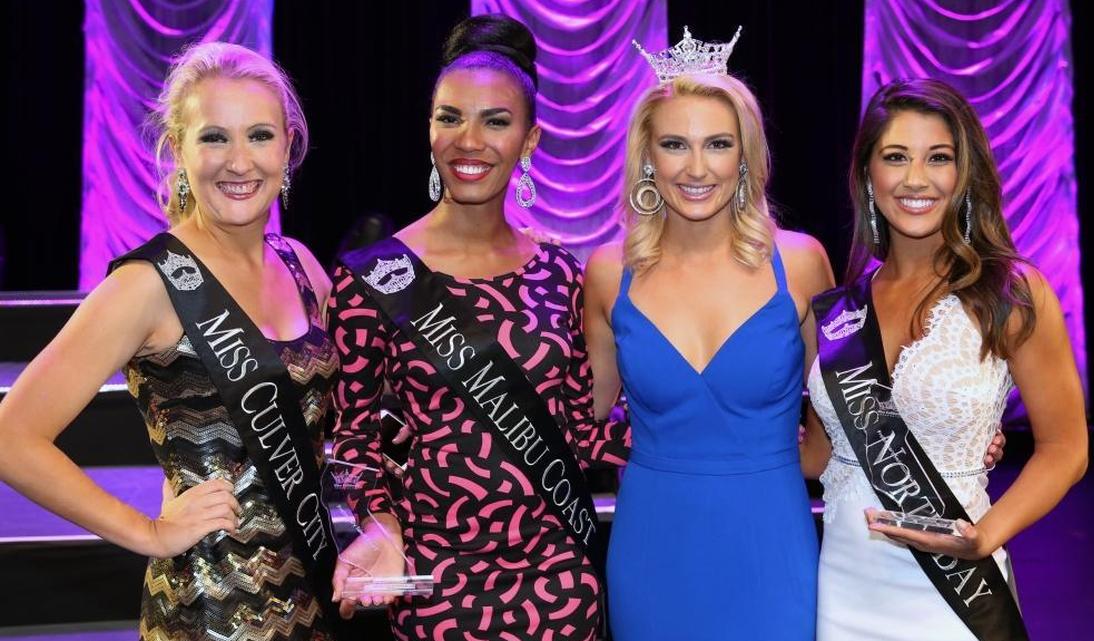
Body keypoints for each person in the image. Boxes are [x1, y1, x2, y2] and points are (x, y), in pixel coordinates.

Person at [0, 42, 342, 640]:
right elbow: (10, 437)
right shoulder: (149, 284)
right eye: (214, 137)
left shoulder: (301, 267)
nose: (239, 161)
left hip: (316, 596)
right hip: (210, 612)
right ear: (177, 148)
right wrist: (147, 532)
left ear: (288, 146)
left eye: (259, 135)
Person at [328, 14, 627, 641]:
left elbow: (581, 430)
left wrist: (710, 436)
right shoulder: (372, 277)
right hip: (436, 588)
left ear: (530, 139)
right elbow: (353, 439)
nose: (470, 140)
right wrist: (381, 528)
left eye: (496, 121)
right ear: (429, 129)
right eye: (450, 117)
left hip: (559, 585)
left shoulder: (561, 275)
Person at [802, 78, 1088, 640]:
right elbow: (815, 456)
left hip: (956, 590)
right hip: (845, 586)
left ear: (965, 173)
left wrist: (984, 536)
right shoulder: (842, 308)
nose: (915, 179)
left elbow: (1067, 449)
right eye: (895, 158)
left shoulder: (1010, 293)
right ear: (867, 175)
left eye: (939, 158)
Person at [583, 28, 835, 640]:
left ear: (745, 156)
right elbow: (583, 413)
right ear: (647, 157)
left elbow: (845, 405)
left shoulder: (799, 263)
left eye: (718, 144)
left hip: (770, 540)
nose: (697, 168)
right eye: (675, 144)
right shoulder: (607, 272)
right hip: (652, 544)